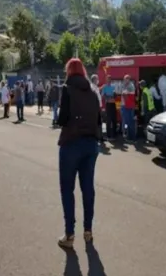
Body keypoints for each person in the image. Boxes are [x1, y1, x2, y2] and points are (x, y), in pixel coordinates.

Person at [56, 58, 101, 249]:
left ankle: (69, 233)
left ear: (68, 71)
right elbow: (99, 119)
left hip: (71, 143)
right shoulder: (92, 91)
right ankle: (88, 231)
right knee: (87, 188)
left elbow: (62, 119)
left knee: (68, 189)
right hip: (91, 144)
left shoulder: (67, 89)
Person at [101, 75, 117, 140]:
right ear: (106, 80)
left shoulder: (113, 86)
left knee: (114, 120)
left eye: (110, 79)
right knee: (108, 120)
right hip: (108, 105)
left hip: (113, 104)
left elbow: (115, 95)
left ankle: (114, 135)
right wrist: (108, 97)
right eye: (108, 79)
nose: (109, 80)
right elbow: (103, 95)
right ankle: (108, 136)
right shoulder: (104, 87)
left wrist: (113, 96)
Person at [121, 74, 136, 142]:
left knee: (130, 121)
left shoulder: (131, 86)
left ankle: (131, 137)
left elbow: (129, 96)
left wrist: (125, 94)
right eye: (124, 79)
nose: (125, 80)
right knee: (125, 121)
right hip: (124, 106)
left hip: (128, 106)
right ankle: (126, 135)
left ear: (129, 79)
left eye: (126, 79)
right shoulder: (124, 85)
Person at [90, 74, 104, 142]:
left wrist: (102, 87)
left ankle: (100, 137)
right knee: (97, 122)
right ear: (94, 79)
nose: (98, 80)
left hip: (98, 107)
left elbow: (98, 91)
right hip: (95, 107)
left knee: (99, 122)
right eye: (97, 79)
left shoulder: (95, 86)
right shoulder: (92, 87)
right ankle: (97, 137)